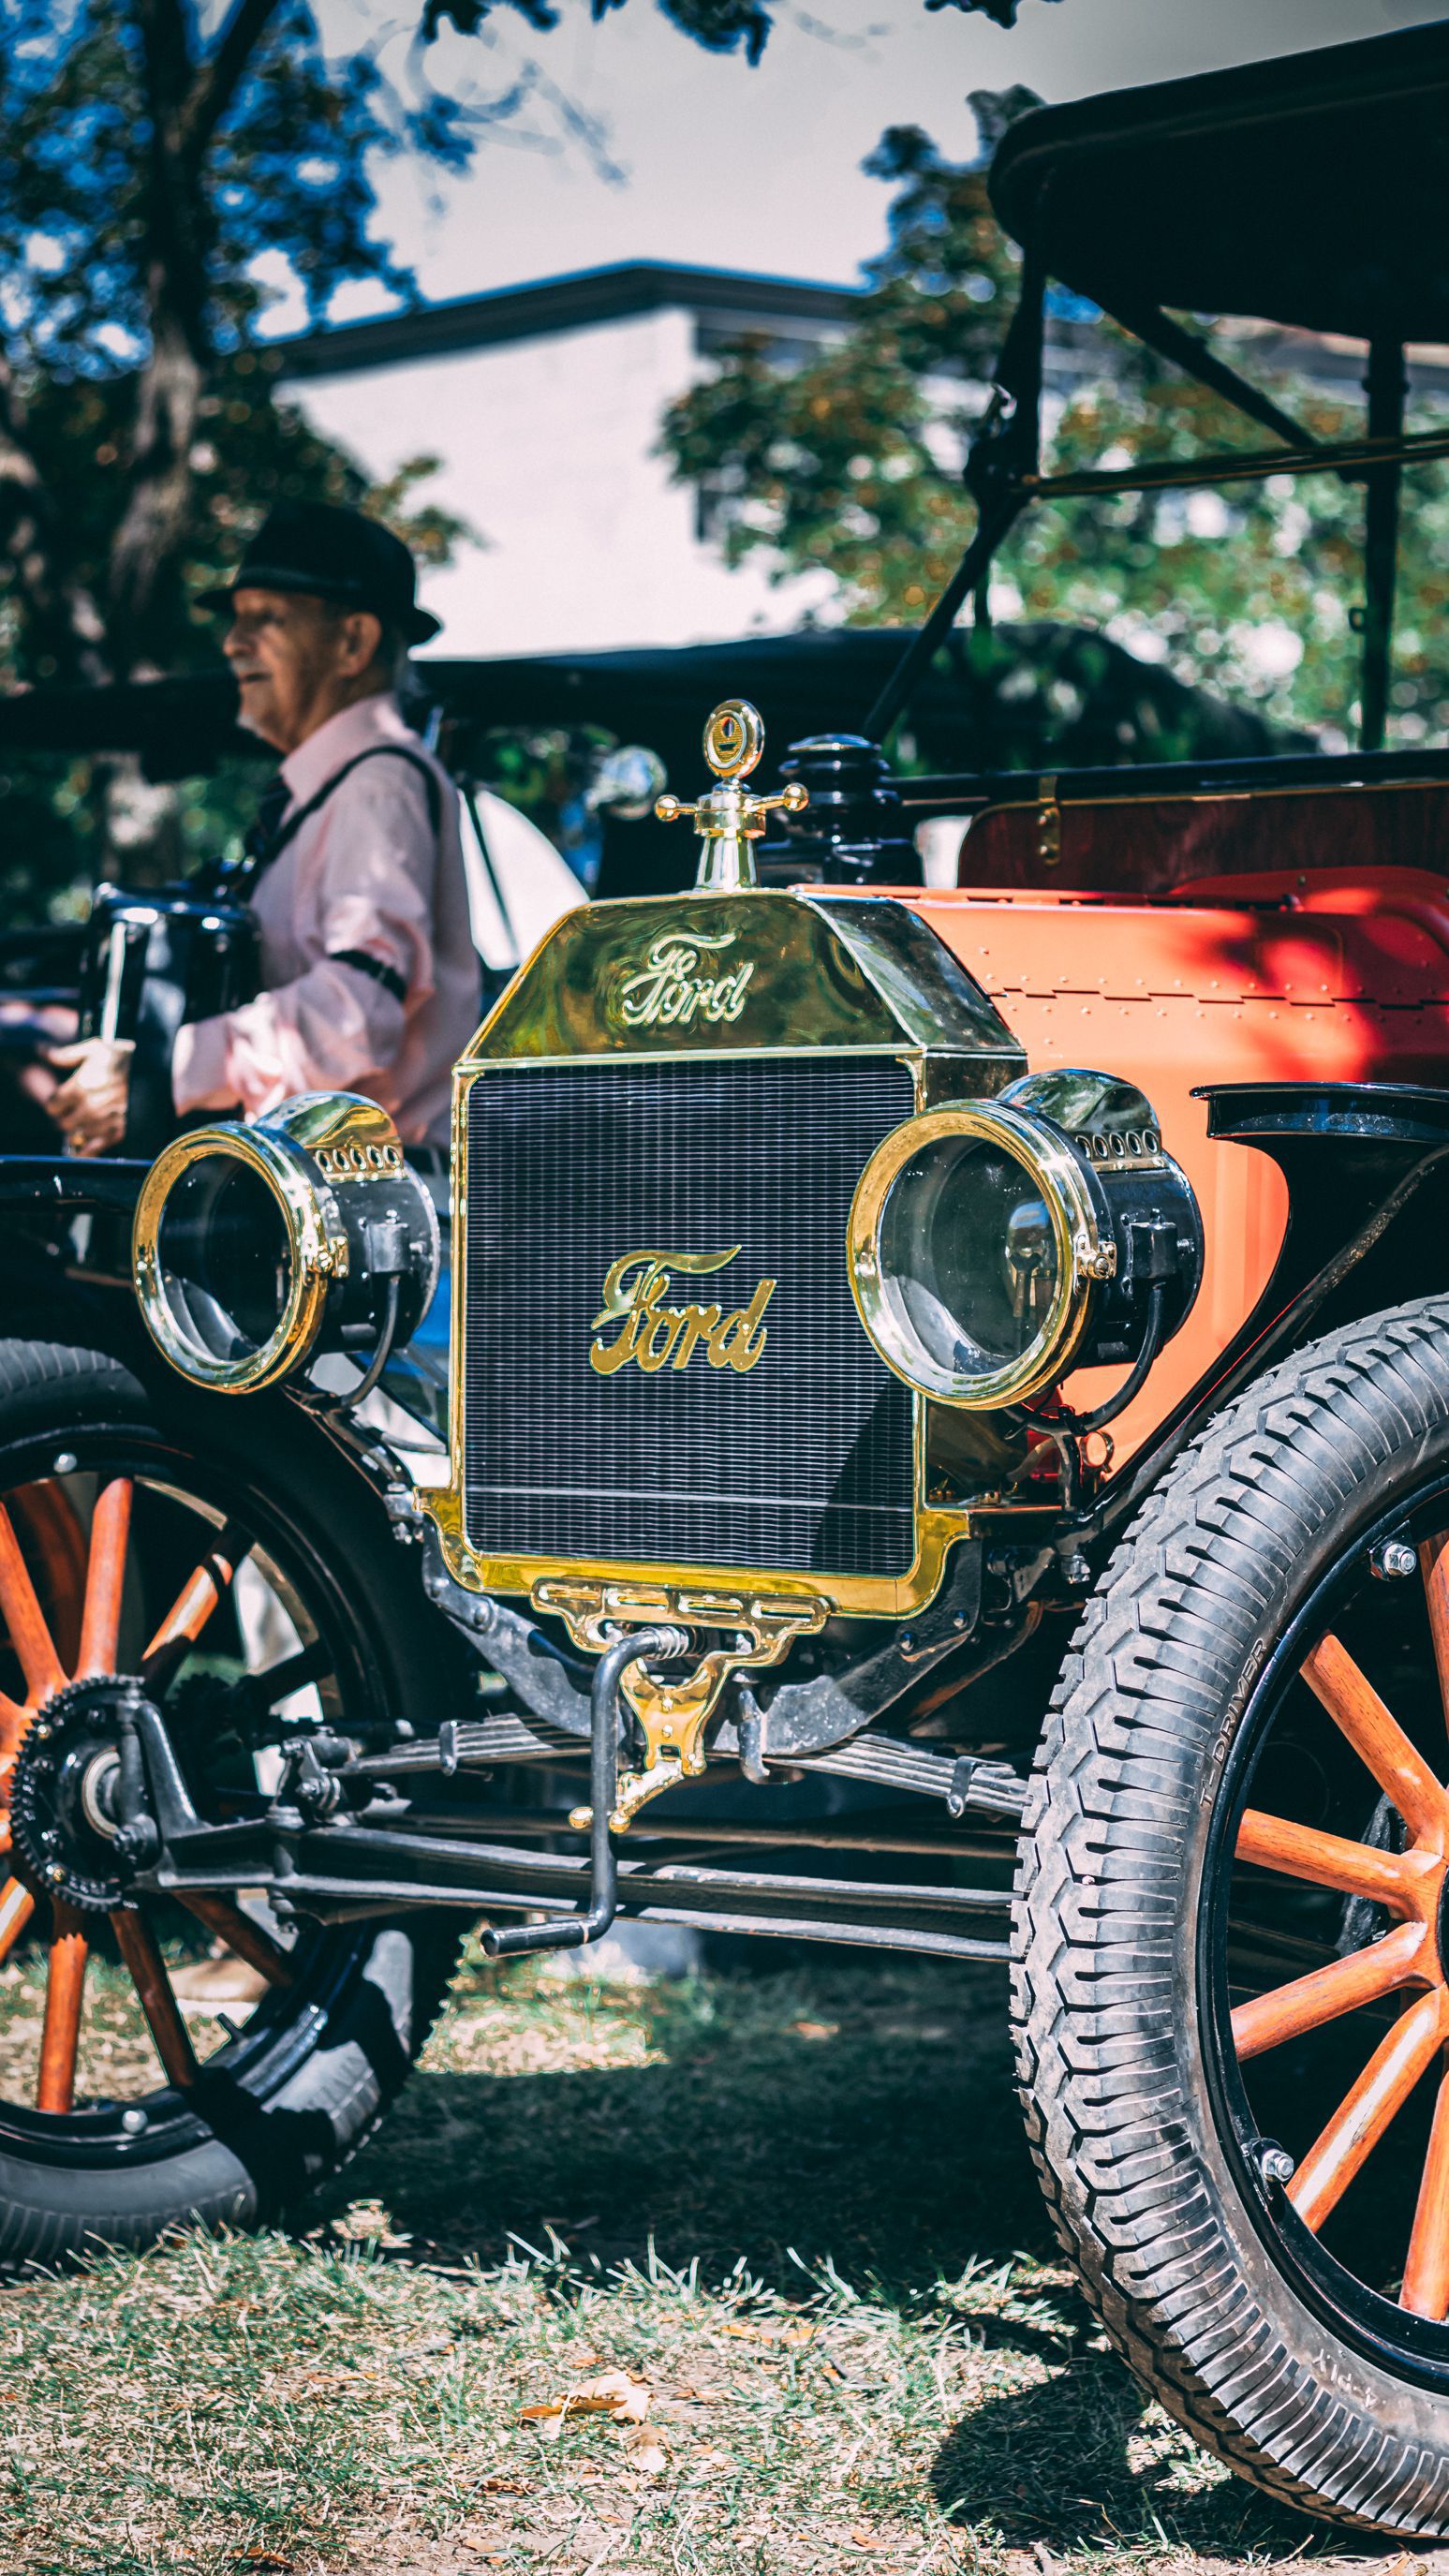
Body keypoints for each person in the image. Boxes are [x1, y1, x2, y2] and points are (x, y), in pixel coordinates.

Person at [45, 501, 481, 1161]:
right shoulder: (342, 786)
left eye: (265, 619)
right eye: (237, 619)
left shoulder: (377, 784)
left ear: (353, 643)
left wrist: (166, 1066)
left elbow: (357, 1012)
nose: (232, 643)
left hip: (361, 1194)